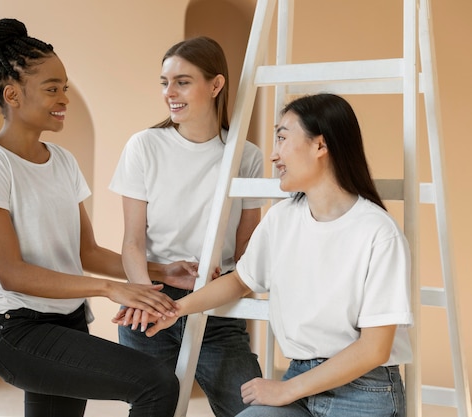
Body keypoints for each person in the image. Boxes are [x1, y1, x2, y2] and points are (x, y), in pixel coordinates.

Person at [0, 18, 201, 417]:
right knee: (157, 384)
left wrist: (163, 270)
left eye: (65, 88)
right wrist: (110, 289)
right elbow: (11, 273)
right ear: (12, 95)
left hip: (68, 324)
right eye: (52, 89)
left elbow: (85, 251)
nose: (64, 99)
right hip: (20, 331)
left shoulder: (63, 162)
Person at [136, 93, 413, 417]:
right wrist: (176, 309)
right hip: (300, 377)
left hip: (364, 389)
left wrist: (285, 389)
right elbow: (240, 280)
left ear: (320, 146)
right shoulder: (282, 218)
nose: (273, 155)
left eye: (282, 138)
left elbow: (374, 349)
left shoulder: (378, 232)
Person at [109, 36, 264, 417]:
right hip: (151, 302)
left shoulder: (246, 156)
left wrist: (226, 277)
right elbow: (132, 243)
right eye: (164, 82)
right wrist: (146, 297)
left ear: (216, 85)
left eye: (182, 81)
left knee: (252, 410)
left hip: (217, 308)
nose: (170, 92)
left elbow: (246, 251)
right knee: (151, 409)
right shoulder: (143, 146)